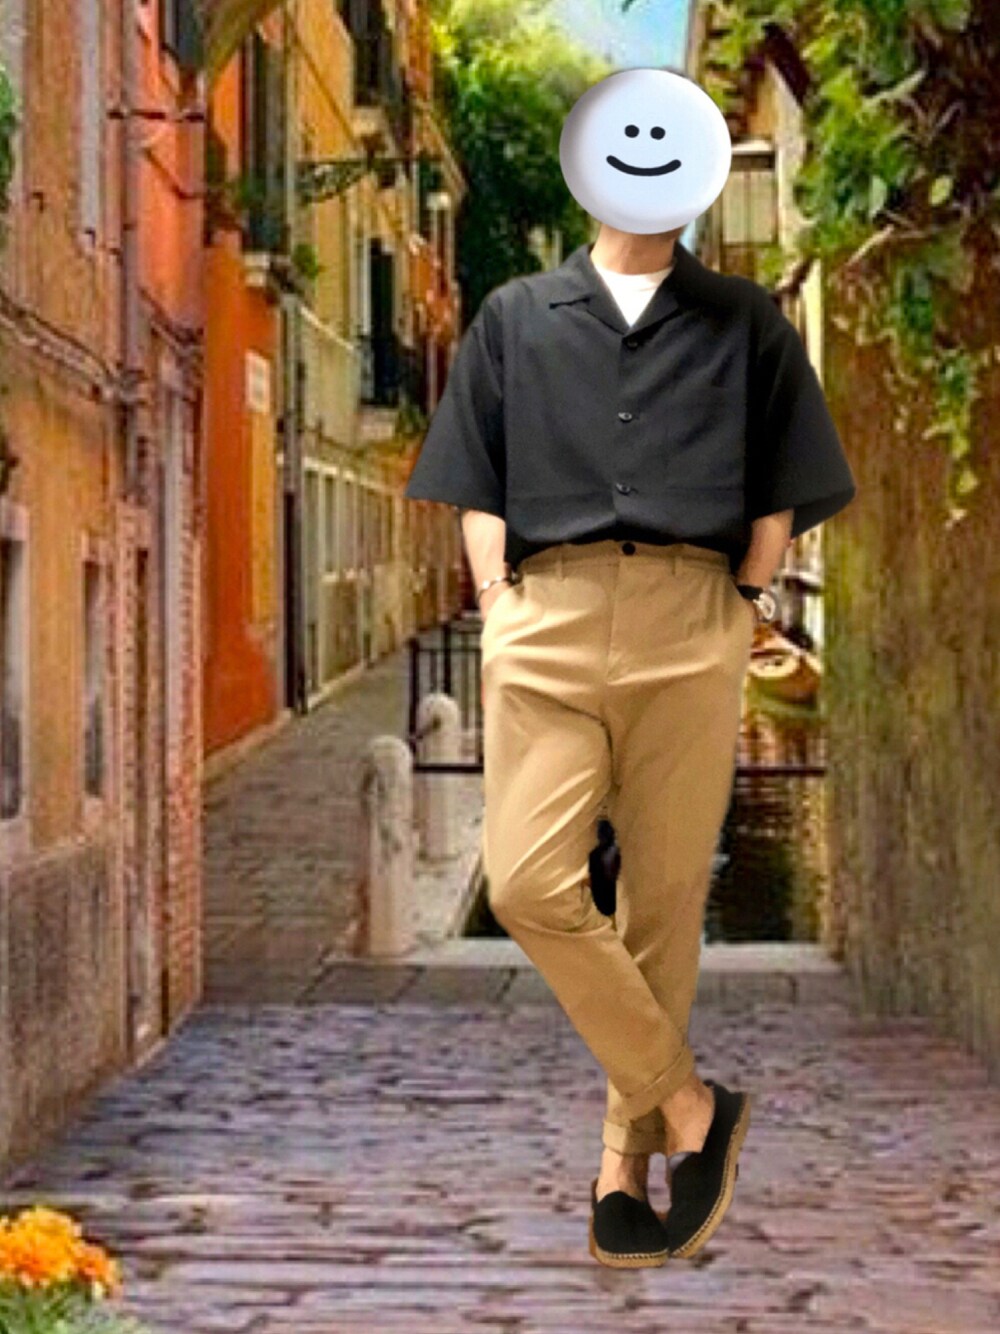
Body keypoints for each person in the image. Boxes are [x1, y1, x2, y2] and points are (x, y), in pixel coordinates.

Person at [404, 74, 857, 1269]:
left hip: (690, 617)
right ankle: (693, 1106)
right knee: (528, 882)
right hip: (543, 617)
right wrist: (496, 597)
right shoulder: (512, 317)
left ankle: (622, 1168)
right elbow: (474, 474)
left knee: (659, 905)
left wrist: (742, 597)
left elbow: (786, 484)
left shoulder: (747, 323)